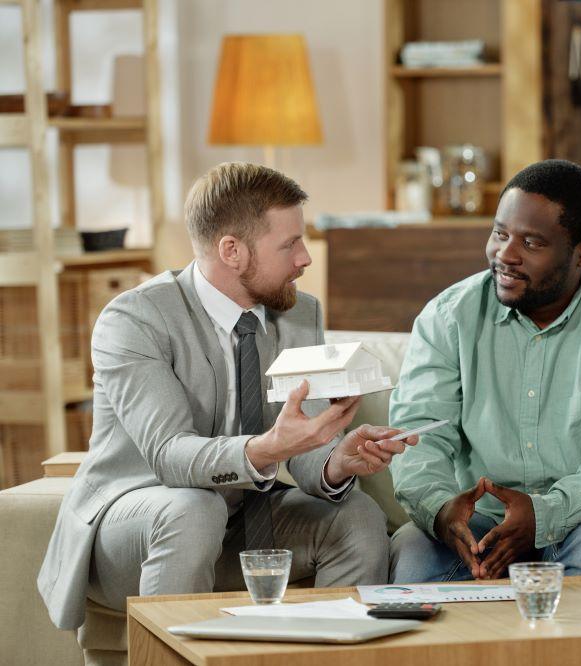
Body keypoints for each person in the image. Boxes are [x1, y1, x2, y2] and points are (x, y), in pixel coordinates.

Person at [38, 162, 417, 631]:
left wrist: (337, 460)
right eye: (289, 244)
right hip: (135, 525)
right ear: (232, 251)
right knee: (193, 509)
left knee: (357, 513)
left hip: (241, 519)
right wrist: (270, 447)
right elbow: (170, 456)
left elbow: (303, 447)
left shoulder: (299, 313)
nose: (305, 258)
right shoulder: (135, 320)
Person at [388, 159, 581, 586]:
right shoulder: (450, 316)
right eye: (499, 233)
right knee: (414, 548)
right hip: (483, 522)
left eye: (531, 242)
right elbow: (418, 433)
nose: (505, 254)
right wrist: (442, 509)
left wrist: (544, 514)